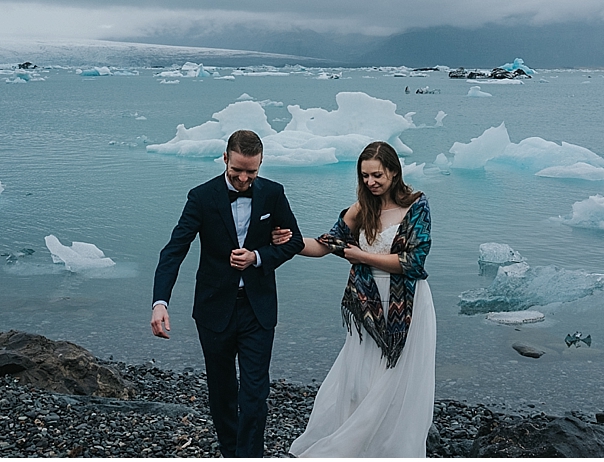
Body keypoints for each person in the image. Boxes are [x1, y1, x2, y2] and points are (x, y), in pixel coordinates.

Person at [272, 141, 436, 457]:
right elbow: (324, 245)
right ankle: (356, 443)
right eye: (364, 176)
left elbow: (413, 263)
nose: (370, 183)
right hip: (367, 306)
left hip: (407, 306)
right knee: (361, 379)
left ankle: (389, 446)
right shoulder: (360, 209)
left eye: (377, 176)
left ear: (393, 171)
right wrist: (289, 242)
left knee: (396, 378)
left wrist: (362, 256)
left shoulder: (416, 206)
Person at [151, 129, 303, 458]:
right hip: (213, 310)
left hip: (257, 310)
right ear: (225, 159)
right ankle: (232, 453)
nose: (244, 178)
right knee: (222, 394)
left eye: (252, 171)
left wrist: (259, 256)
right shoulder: (201, 197)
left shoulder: (274, 194)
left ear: (261, 164)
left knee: (254, 395)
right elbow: (174, 251)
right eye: (238, 170)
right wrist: (160, 302)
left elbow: (295, 242)